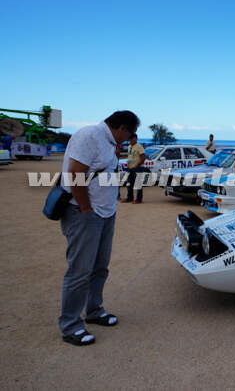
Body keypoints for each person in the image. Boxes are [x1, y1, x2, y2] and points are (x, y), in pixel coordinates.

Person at [59, 110, 140, 346]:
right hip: (84, 214)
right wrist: (86, 209)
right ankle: (71, 325)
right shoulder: (90, 135)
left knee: (99, 268)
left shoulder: (109, 143)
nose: (129, 139)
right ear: (122, 128)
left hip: (105, 214)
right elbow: (75, 174)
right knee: (79, 272)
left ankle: (93, 311)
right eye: (130, 134)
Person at [123, 133, 146, 204]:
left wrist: (137, 165)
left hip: (138, 168)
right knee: (129, 184)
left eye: (133, 138)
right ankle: (129, 198)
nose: (131, 140)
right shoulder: (129, 146)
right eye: (130, 139)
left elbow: (143, 157)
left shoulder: (139, 146)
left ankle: (139, 199)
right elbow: (130, 157)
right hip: (130, 168)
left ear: (136, 138)